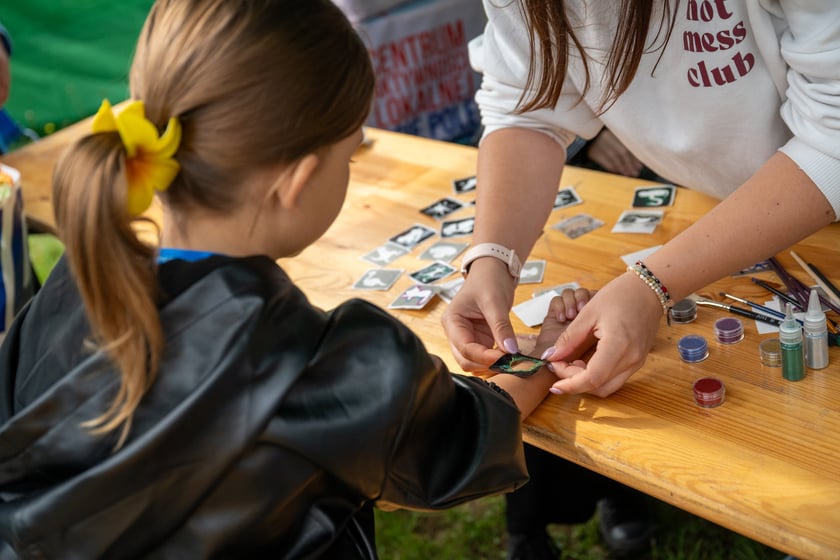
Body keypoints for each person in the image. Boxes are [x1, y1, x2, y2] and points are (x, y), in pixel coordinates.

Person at [0, 1, 588, 557]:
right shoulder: (318, 360)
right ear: (300, 178)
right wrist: (533, 358)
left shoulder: (68, 291)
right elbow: (463, 439)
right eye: (350, 155)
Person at [443, 1, 839, 397]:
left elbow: (832, 142)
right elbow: (528, 108)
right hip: (744, 208)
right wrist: (494, 256)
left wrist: (654, 284)